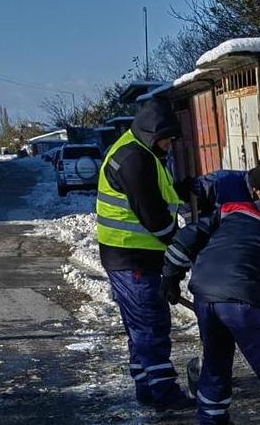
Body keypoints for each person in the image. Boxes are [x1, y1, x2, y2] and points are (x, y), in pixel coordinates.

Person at [161, 159, 260, 425]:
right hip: (247, 302)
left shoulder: (233, 209)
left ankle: (211, 419)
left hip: (205, 293)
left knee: (215, 361)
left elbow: (189, 235)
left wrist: (170, 274)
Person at [95, 98, 195, 410]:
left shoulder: (141, 150)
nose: (169, 145)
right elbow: (154, 217)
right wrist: (181, 247)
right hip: (131, 257)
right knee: (151, 324)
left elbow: (160, 195)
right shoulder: (133, 160)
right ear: (153, 134)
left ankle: (146, 388)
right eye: (166, 139)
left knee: (139, 327)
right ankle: (165, 392)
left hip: (131, 255)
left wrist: (183, 190)